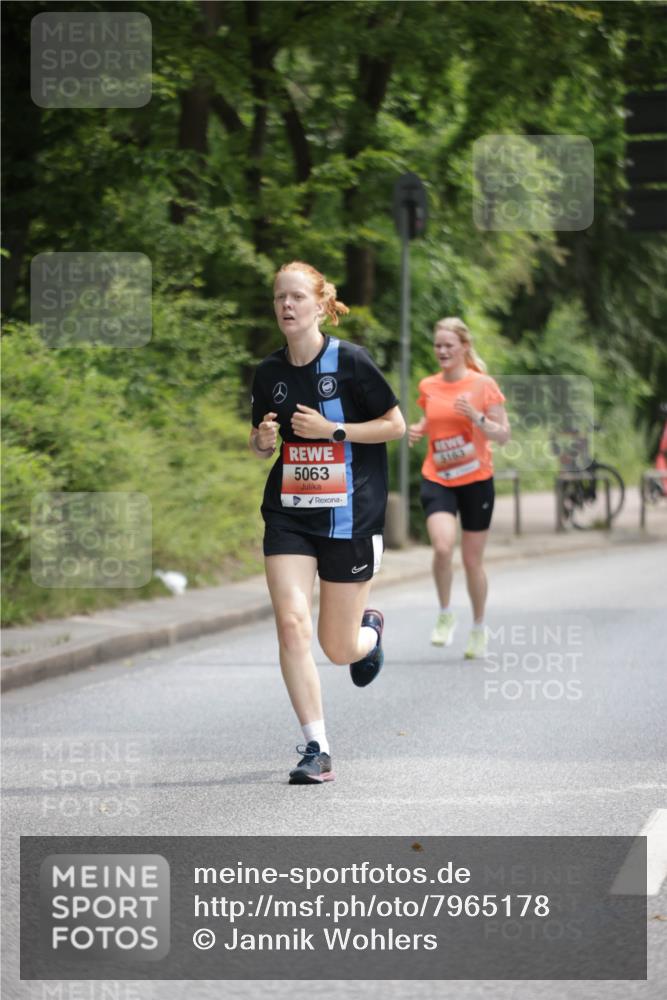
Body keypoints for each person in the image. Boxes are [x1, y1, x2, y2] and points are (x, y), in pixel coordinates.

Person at [250, 261, 405, 784]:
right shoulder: (269, 373)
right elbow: (260, 439)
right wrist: (262, 442)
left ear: (319, 305)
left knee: (338, 648)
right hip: (290, 515)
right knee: (291, 623)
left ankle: (371, 632)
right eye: (278, 298)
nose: (286, 306)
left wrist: (332, 429)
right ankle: (317, 747)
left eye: (296, 297)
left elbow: (395, 425)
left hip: (350, 516)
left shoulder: (352, 362)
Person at [409, 317, 510, 658]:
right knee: (441, 547)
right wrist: (418, 429)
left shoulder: (483, 385)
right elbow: (433, 417)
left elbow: (503, 434)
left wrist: (476, 418)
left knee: (471, 561)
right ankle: (445, 614)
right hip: (438, 476)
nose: (442, 351)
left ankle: (479, 628)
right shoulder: (428, 385)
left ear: (464, 347)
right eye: (438, 345)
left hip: (476, 479)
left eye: (449, 345)